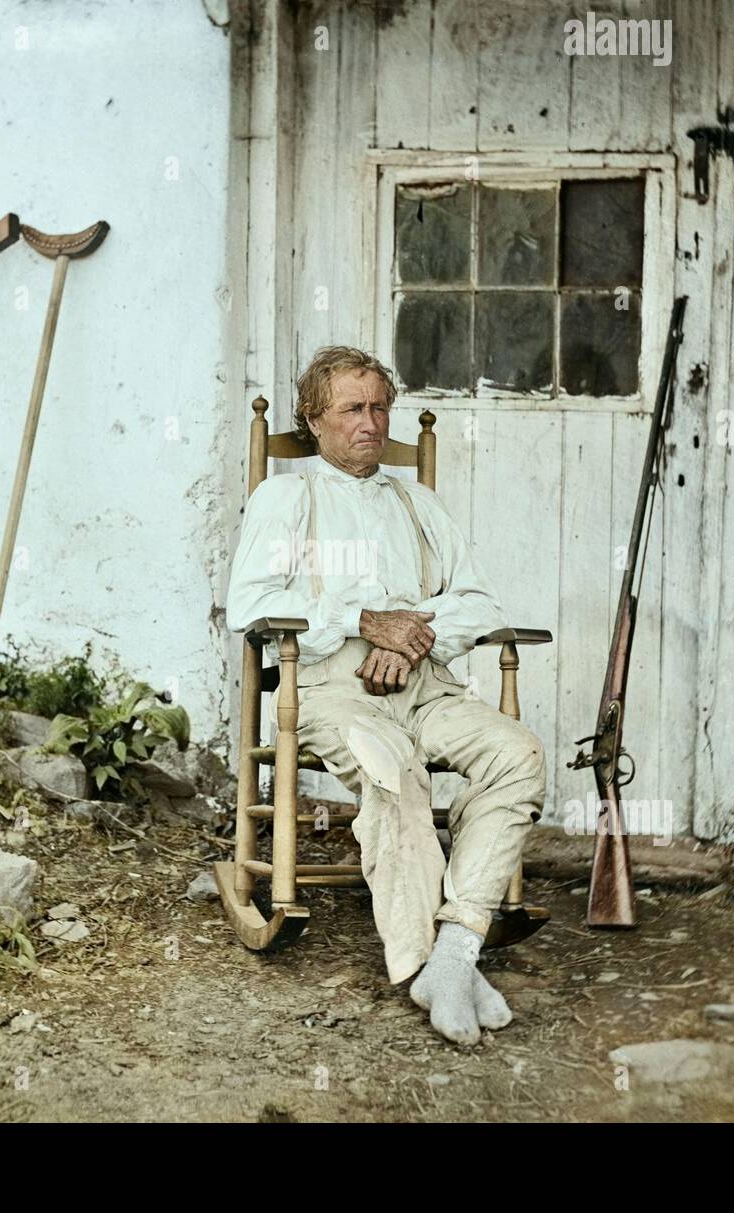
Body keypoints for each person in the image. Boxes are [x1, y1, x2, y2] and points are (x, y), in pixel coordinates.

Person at [225, 346, 547, 1045]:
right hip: (335, 691)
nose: (371, 423)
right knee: (392, 770)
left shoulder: (418, 501)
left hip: (425, 684)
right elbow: (247, 603)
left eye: (380, 407)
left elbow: (479, 600)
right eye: (352, 409)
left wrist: (409, 640)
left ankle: (455, 951)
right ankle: (420, 963)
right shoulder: (287, 497)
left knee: (516, 753)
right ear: (314, 420)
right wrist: (365, 624)